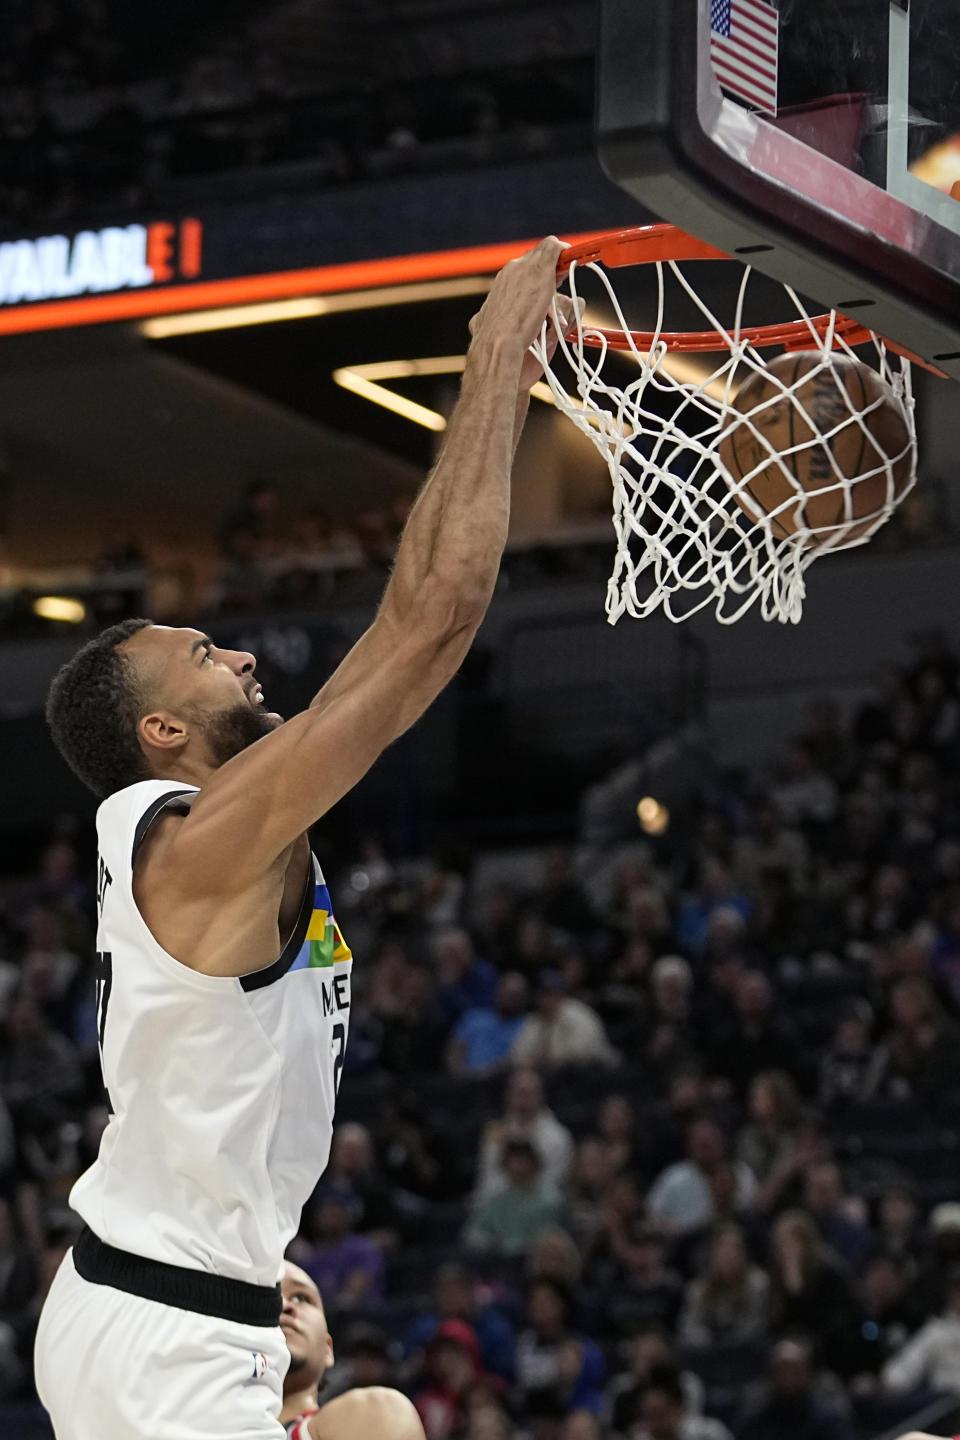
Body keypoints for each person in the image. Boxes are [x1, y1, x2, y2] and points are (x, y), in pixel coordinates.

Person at [34, 236, 573, 1440]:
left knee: (375, 1419)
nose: (240, 652)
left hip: (183, 1302)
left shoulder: (198, 839)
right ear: (163, 728)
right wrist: (495, 365)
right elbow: (431, 624)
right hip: (162, 1351)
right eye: (203, 653)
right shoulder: (203, 844)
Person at [279, 1260, 424, 1440]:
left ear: (327, 1349)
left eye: (301, 1297)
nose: (283, 1305)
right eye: (266, 1296)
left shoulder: (373, 1411)